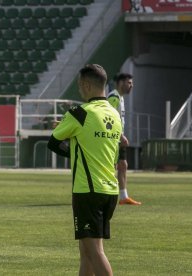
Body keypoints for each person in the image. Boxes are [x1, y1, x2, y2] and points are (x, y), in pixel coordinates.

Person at [47, 64, 122, 276]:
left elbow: (53, 143)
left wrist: (74, 150)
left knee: (95, 252)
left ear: (87, 85)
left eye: (80, 85)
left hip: (87, 191)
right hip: (110, 190)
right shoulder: (115, 115)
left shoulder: (79, 113)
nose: (79, 89)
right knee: (86, 252)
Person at [108, 73, 141, 205]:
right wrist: (121, 135)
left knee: (122, 165)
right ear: (121, 83)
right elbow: (109, 118)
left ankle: (123, 197)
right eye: (129, 83)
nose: (131, 86)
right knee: (111, 167)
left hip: (117, 138)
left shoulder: (120, 98)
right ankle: (104, 194)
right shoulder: (114, 97)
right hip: (112, 138)